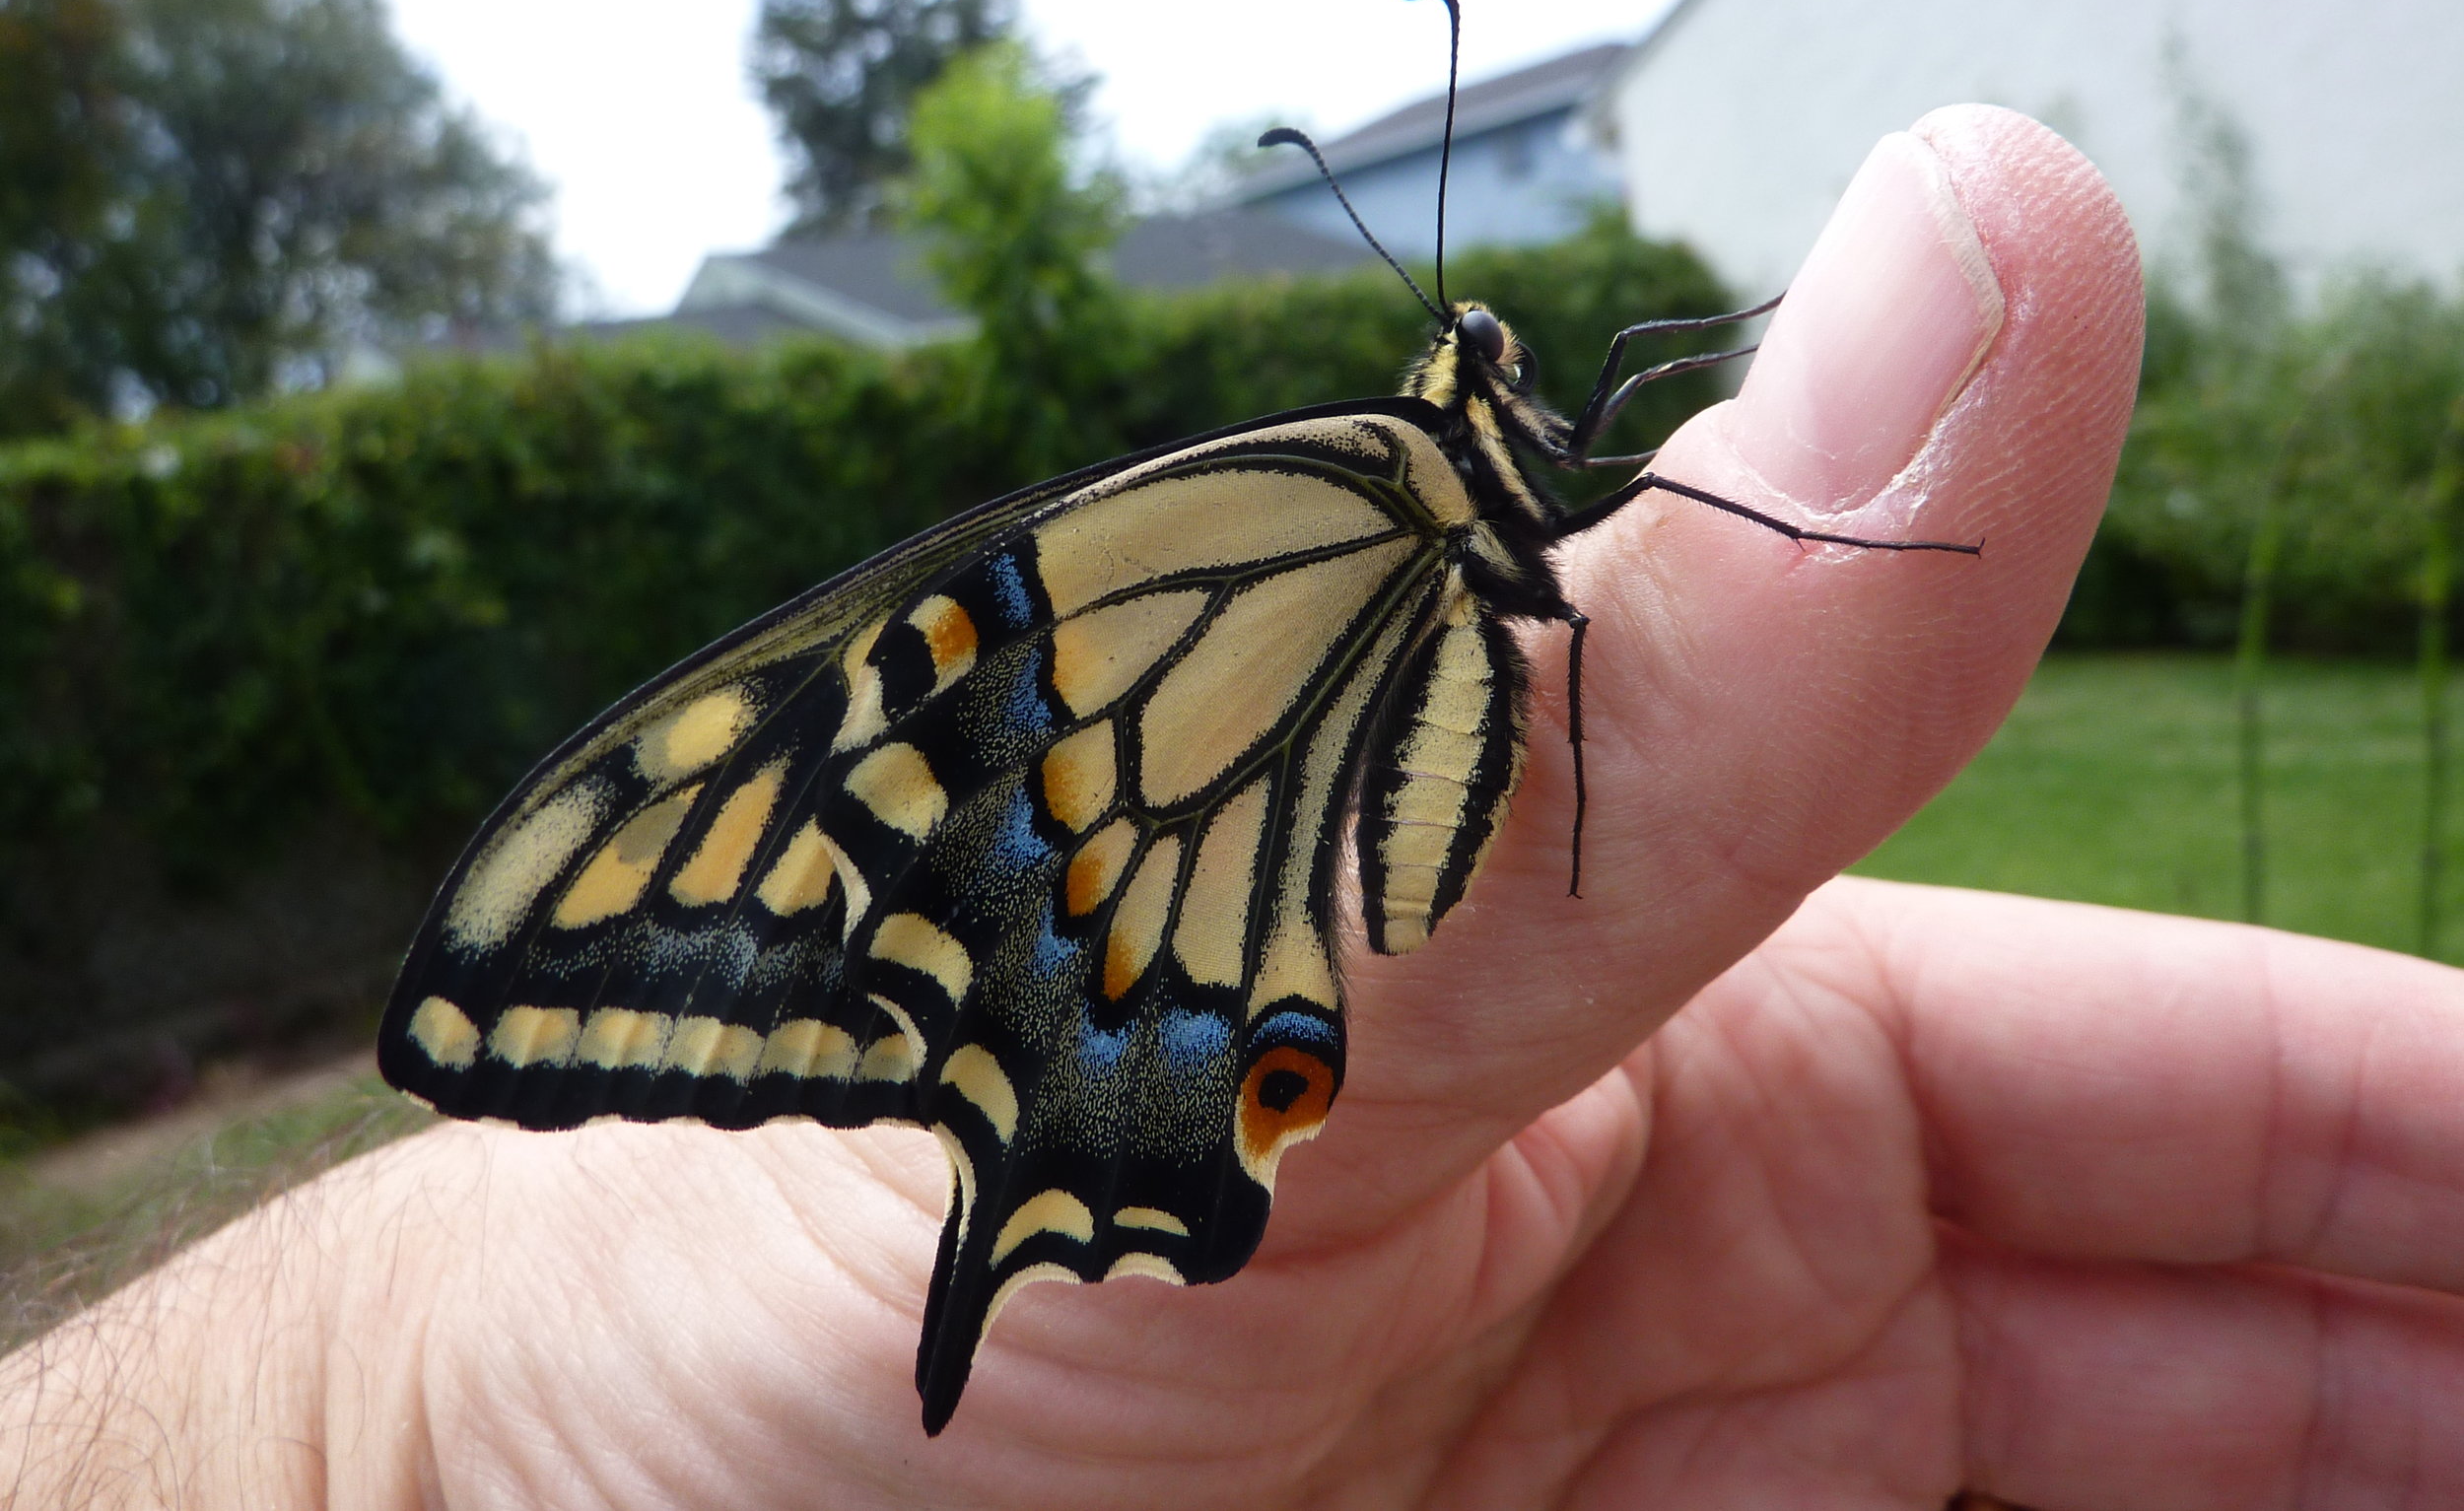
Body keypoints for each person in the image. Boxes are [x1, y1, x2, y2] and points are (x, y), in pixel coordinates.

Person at [8, 105, 2457, 1509]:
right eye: (1472, 363)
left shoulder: (1417, 500)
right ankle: (1147, 1087)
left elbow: (1564, 584)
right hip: (1139, 969)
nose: (1496, 382)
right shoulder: (1339, 490)